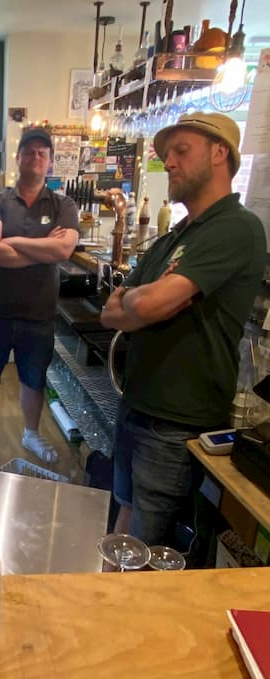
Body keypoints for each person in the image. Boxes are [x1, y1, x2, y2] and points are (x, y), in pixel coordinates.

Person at [101, 112, 267, 546]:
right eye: (166, 154)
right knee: (124, 521)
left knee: (151, 549)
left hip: (177, 423)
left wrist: (142, 301)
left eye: (181, 151)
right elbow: (112, 310)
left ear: (219, 154)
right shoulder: (178, 235)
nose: (168, 163)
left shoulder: (235, 227)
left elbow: (147, 301)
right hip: (139, 405)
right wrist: (143, 302)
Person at [0, 127, 79, 467]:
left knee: (33, 381)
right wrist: (43, 248)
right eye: (30, 151)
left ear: (50, 163)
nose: (36, 157)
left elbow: (64, 248)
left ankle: (31, 435)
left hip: (39, 314)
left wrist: (16, 242)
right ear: (18, 157)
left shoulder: (64, 204)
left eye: (42, 153)